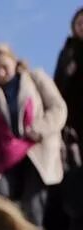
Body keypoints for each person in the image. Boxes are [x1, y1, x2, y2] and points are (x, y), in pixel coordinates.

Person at [0, 43, 67, 228]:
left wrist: (38, 130)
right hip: (7, 158)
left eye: (4, 66)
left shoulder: (35, 78)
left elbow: (58, 109)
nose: (0, 72)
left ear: (14, 62)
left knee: (34, 209)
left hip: (38, 153)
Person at [54, 7, 83, 141]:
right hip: (74, 115)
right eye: (79, 23)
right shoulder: (67, 53)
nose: (82, 26)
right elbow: (58, 84)